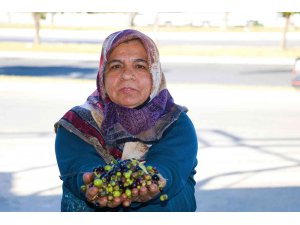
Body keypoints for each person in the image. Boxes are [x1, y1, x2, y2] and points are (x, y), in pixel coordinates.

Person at [54, 29, 198, 212]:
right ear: (102, 75)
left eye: (140, 66)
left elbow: (169, 167)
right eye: (115, 66)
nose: (127, 75)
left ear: (155, 73)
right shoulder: (77, 125)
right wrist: (91, 181)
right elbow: (81, 169)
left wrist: (154, 181)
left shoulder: (176, 123)